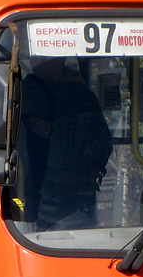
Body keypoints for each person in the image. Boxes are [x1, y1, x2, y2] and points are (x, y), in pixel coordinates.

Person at [20, 58, 112, 229]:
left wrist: (54, 134)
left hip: (64, 197)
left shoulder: (81, 98)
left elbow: (101, 145)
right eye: (35, 56)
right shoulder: (28, 89)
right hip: (35, 194)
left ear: (59, 60)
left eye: (44, 57)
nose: (35, 61)